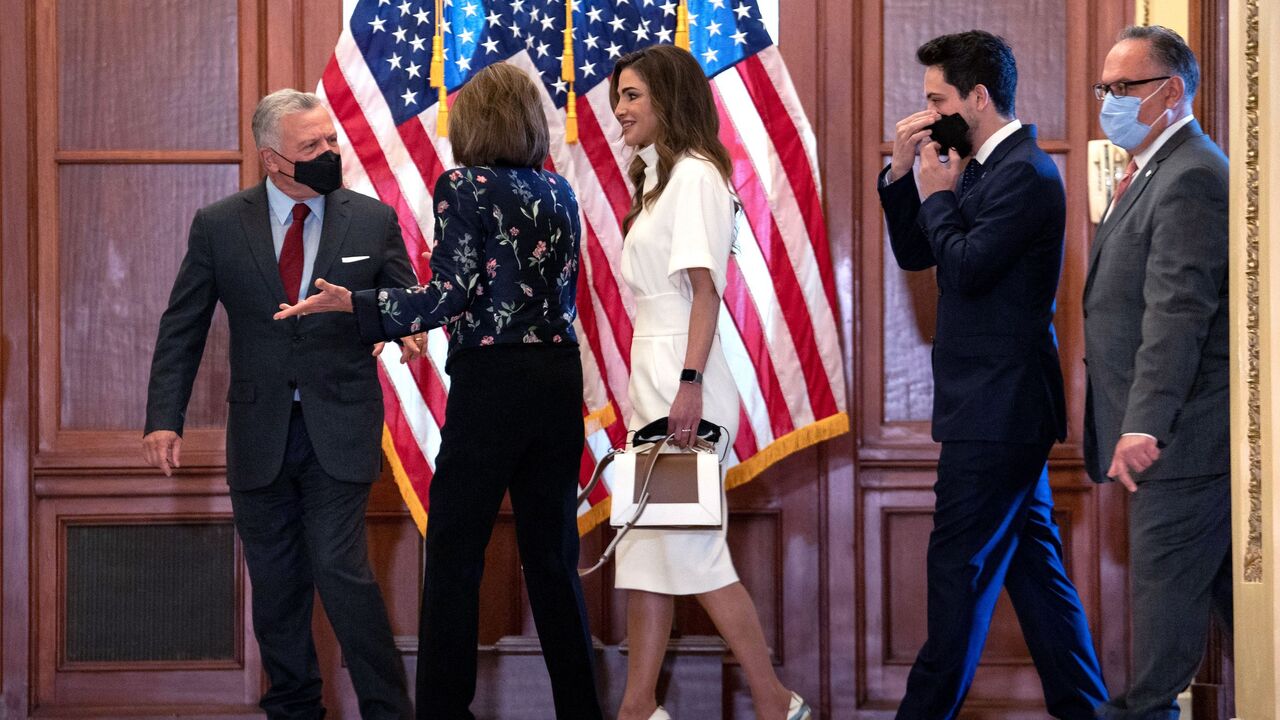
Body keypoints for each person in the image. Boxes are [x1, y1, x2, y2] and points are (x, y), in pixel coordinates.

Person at [273, 63, 604, 720]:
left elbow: (450, 295)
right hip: (559, 381)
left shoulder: (464, 184)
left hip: (494, 384)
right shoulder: (559, 190)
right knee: (553, 559)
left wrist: (356, 304)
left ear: (476, 124)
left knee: (454, 555)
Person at [143, 89, 417, 719]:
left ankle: (386, 709)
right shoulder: (218, 224)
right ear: (272, 160)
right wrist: (164, 418)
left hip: (340, 424)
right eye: (311, 146)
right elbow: (181, 326)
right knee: (276, 581)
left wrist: (397, 326)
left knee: (340, 568)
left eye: (330, 140)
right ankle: (294, 709)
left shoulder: (371, 219)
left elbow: (406, 303)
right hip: (260, 431)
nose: (329, 152)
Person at [877, 31, 1108, 719]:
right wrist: (901, 177)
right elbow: (921, 254)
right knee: (1036, 578)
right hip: (994, 410)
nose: (926, 114)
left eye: (936, 99)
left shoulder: (1029, 174)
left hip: (999, 412)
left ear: (978, 97)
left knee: (957, 575)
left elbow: (970, 268)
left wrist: (941, 194)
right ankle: (1085, 709)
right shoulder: (975, 168)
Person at [607, 45, 811, 720]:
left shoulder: (694, 175)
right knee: (646, 548)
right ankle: (639, 705)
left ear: (669, 99)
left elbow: (704, 291)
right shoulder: (658, 179)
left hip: (679, 380)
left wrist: (689, 384)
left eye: (633, 95)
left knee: (688, 544)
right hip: (654, 375)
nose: (620, 109)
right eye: (619, 96)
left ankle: (774, 699)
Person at [1086, 25, 1231, 720]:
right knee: (1228, 608)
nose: (1108, 102)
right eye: (1104, 88)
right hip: (1181, 445)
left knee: (1159, 657)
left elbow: (1178, 311)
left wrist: (1143, 421)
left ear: (1171, 92)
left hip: (1182, 442)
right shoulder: (1156, 169)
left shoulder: (1192, 174)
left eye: (1124, 88)